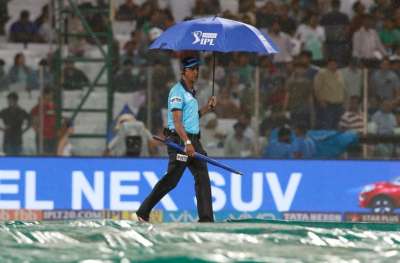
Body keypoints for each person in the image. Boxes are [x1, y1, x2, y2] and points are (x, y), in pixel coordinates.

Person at [136, 57, 217, 222]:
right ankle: (143, 212)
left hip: (194, 141)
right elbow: (177, 122)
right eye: (192, 69)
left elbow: (192, 118)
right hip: (180, 141)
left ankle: (206, 219)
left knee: (202, 176)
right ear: (183, 71)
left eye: (197, 69)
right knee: (172, 180)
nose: (196, 72)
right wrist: (187, 142)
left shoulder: (191, 93)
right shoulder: (177, 92)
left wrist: (207, 108)